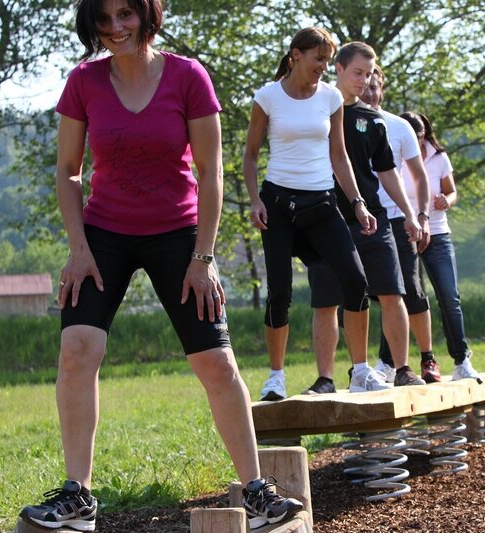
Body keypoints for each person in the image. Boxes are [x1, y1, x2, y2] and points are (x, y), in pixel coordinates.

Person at [20, 1, 302, 530]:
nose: (115, 28)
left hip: (178, 234)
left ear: (148, 15)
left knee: (215, 361)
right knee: (77, 348)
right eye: (103, 19)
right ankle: (78, 497)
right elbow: (68, 171)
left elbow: (211, 172)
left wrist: (204, 257)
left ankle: (255, 490)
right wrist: (78, 249)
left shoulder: (187, 76)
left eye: (125, 14)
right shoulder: (83, 82)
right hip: (104, 233)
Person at [243, 28, 383, 401]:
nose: (323, 66)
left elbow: (339, 155)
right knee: (280, 292)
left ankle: (361, 371)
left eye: (327, 60)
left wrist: (357, 202)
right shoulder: (267, 97)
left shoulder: (331, 98)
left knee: (356, 280)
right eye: (318, 59)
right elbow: (251, 155)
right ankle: (276, 377)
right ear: (296, 56)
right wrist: (255, 200)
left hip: (322, 203)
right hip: (277, 204)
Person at [298, 41, 427, 394]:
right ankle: (325, 379)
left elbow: (387, 172)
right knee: (326, 302)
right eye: (358, 72)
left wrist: (411, 214)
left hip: (373, 221)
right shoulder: (315, 110)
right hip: (324, 220)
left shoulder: (373, 120)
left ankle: (402, 369)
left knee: (393, 294)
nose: (364, 81)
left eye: (369, 74)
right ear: (338, 68)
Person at [358, 67, 441, 382]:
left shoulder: (399, 126)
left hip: (398, 219)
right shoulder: (342, 122)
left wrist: (422, 217)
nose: (369, 93)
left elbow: (420, 177)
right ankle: (382, 365)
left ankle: (427, 358)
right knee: (374, 294)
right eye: (365, 86)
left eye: (374, 87)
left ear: (382, 90)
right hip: (361, 218)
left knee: (410, 290)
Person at [404, 112, 482, 382]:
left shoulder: (438, 157)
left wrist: (447, 200)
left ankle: (461, 360)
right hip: (405, 232)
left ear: (425, 134)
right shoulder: (392, 154)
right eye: (411, 135)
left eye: (419, 135)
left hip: (437, 231)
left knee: (449, 296)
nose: (416, 140)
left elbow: (452, 191)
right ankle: (392, 363)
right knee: (402, 297)